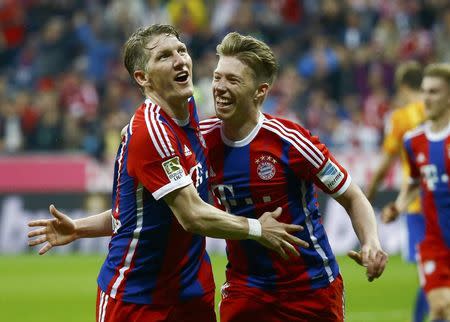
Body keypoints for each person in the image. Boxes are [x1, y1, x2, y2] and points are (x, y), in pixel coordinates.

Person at [27, 25, 307, 322]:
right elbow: (192, 216)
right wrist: (258, 229)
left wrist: (79, 228)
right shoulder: (150, 132)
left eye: (181, 50)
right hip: (138, 301)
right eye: (163, 56)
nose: (179, 60)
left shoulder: (188, 111)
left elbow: (137, 214)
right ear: (142, 78)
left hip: (192, 294)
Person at [199, 32, 388, 322]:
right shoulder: (199, 142)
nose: (220, 88)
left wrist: (371, 242)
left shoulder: (291, 142)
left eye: (233, 80)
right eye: (217, 77)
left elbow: (352, 196)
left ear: (260, 91)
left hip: (310, 289)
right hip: (245, 288)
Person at [382, 63, 450, 322]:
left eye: (434, 92)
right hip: (434, 241)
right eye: (424, 91)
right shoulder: (413, 141)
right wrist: (398, 206)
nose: (426, 98)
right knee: (441, 306)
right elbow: (413, 182)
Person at [366, 61, 428, 322]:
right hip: (442, 197)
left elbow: (384, 164)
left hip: (417, 205)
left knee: (429, 272)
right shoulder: (441, 110)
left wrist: (366, 196)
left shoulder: (402, 117)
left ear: (403, 86)